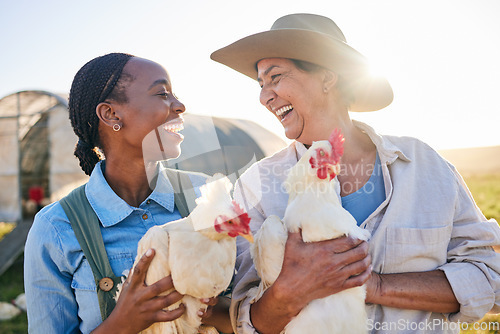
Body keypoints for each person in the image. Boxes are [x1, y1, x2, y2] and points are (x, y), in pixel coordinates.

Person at [210, 13, 500, 334]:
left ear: (327, 77)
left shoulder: (425, 166)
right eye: (261, 84)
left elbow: (488, 276)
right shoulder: (256, 186)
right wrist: (288, 291)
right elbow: (243, 320)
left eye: (275, 77)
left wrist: (372, 285)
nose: (265, 96)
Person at [24, 53, 233, 333]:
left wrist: (218, 311)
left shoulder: (207, 196)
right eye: (162, 93)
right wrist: (122, 324)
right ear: (111, 114)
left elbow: (255, 314)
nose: (180, 105)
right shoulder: (55, 228)